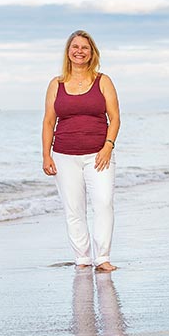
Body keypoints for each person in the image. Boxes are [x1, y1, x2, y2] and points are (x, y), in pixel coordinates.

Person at [41, 30, 121, 271]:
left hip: (98, 154)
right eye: (75, 47)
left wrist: (108, 146)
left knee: (104, 202)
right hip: (64, 155)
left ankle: (103, 257)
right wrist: (46, 154)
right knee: (73, 208)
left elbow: (115, 118)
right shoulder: (56, 84)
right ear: (68, 51)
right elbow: (48, 122)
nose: (79, 51)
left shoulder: (103, 81)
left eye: (85, 47)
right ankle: (83, 259)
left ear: (92, 52)